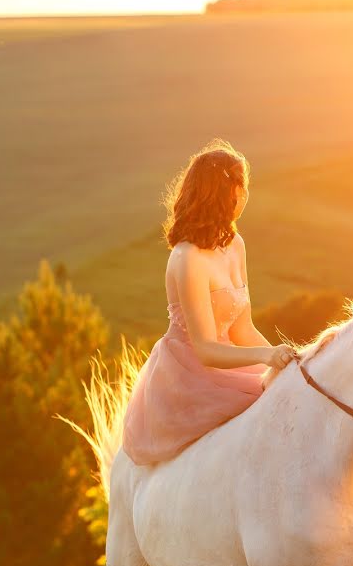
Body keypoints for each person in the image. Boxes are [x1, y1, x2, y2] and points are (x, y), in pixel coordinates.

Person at [121, 139, 298, 466]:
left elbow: (243, 328)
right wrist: (266, 356)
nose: (245, 196)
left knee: (291, 392)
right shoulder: (187, 258)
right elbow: (204, 349)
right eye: (241, 187)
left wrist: (283, 360)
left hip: (230, 358)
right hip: (192, 371)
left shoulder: (234, 244)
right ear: (224, 192)